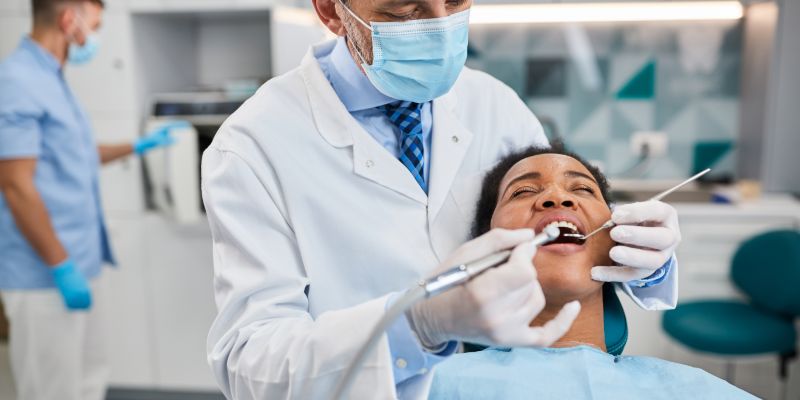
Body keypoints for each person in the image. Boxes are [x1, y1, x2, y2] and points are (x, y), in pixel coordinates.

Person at [201, 0, 682, 398]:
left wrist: (641, 260)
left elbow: (556, 232)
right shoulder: (252, 146)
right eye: (403, 13)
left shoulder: (494, 103)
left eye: (453, 3)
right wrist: (415, 327)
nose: (436, 25)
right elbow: (250, 363)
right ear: (330, 10)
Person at [428, 143, 756, 400]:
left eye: (583, 189)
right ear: (485, 243)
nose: (557, 197)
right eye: (523, 191)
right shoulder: (424, 386)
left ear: (618, 233)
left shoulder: (693, 391)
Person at [0, 1, 184, 399]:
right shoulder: (16, 81)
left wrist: (138, 145)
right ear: (70, 20)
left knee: (88, 380)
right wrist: (60, 264)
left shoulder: (52, 79)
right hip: (43, 272)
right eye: (94, 26)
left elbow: (76, 154)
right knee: (50, 391)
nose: (94, 38)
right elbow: (15, 185)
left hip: (81, 260)